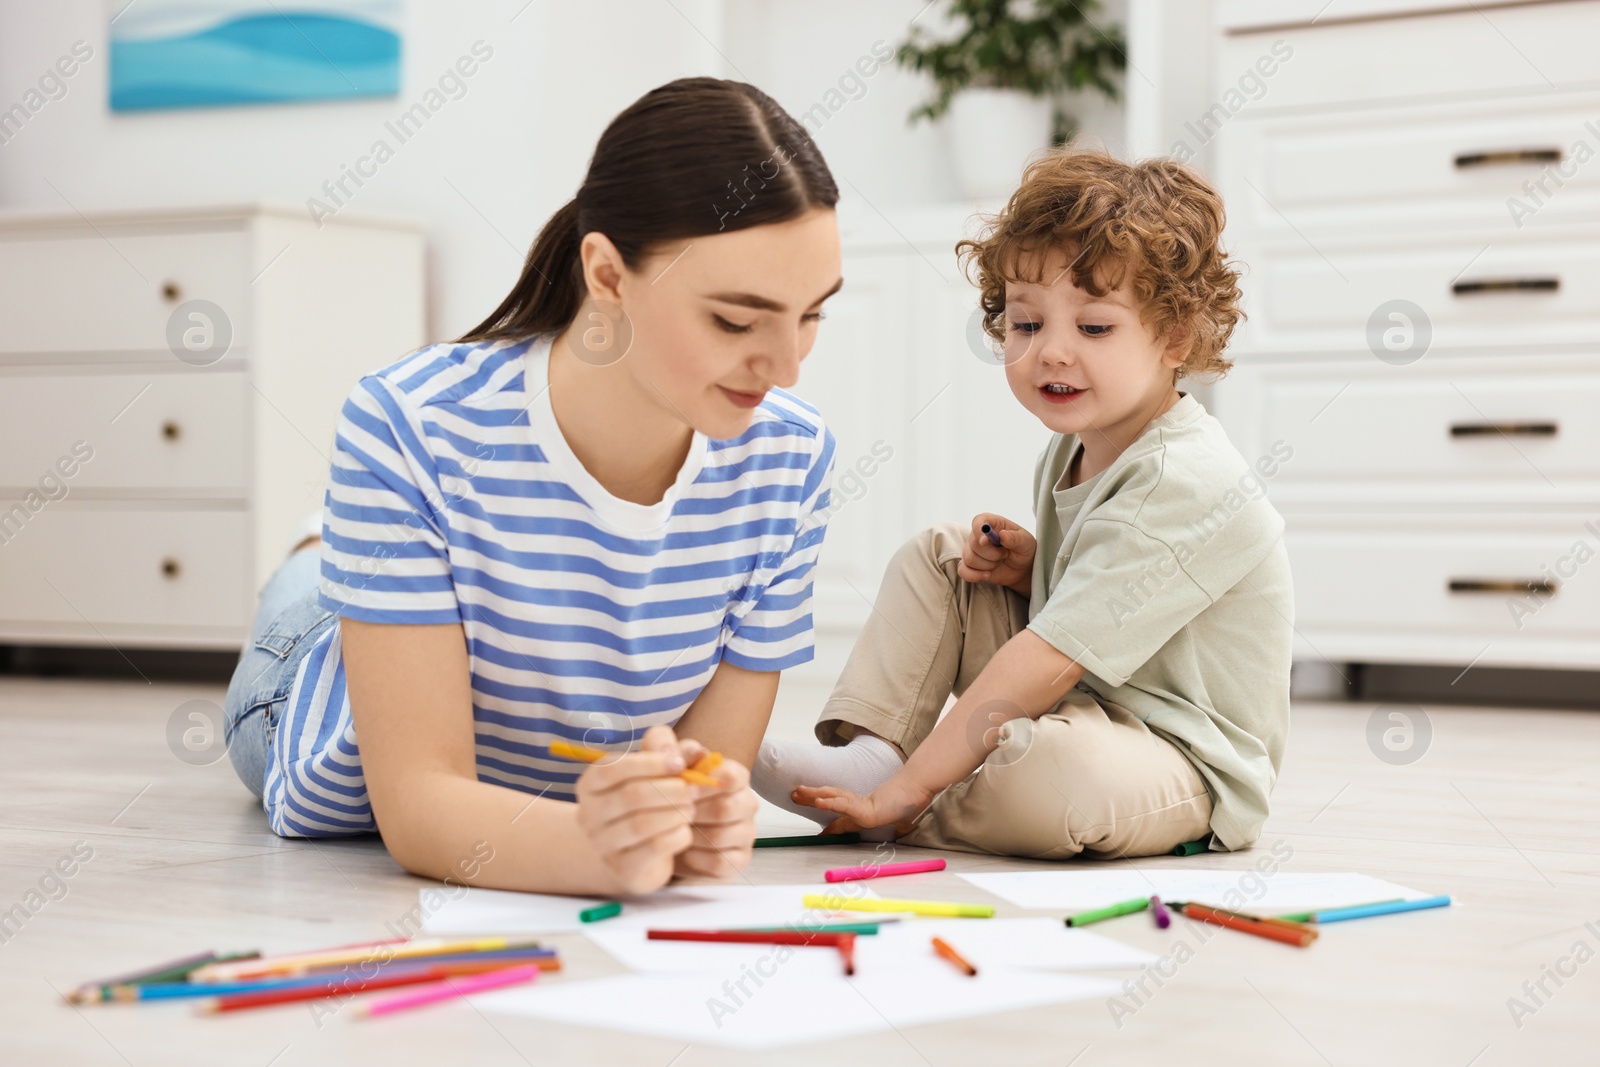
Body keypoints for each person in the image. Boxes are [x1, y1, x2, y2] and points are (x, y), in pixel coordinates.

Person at [222, 77, 844, 895]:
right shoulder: (407, 420)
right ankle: (325, 543)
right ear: (609, 274)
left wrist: (700, 812)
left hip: (514, 724)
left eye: (812, 314)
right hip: (307, 693)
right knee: (308, 599)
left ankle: (336, 542)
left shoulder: (792, 458)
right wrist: (599, 851)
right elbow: (415, 805)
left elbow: (704, 771)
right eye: (735, 320)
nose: (788, 365)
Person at [754, 149, 1294, 859]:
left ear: (1175, 336)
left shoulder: (1182, 475)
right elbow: (1116, 595)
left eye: (1094, 327)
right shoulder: (1078, 445)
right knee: (942, 557)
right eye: (1027, 324)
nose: (1051, 353)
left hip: (1179, 754)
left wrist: (914, 789)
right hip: (1092, 699)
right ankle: (875, 755)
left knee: (1058, 775)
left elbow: (1048, 660)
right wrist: (1037, 570)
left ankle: (911, 802)